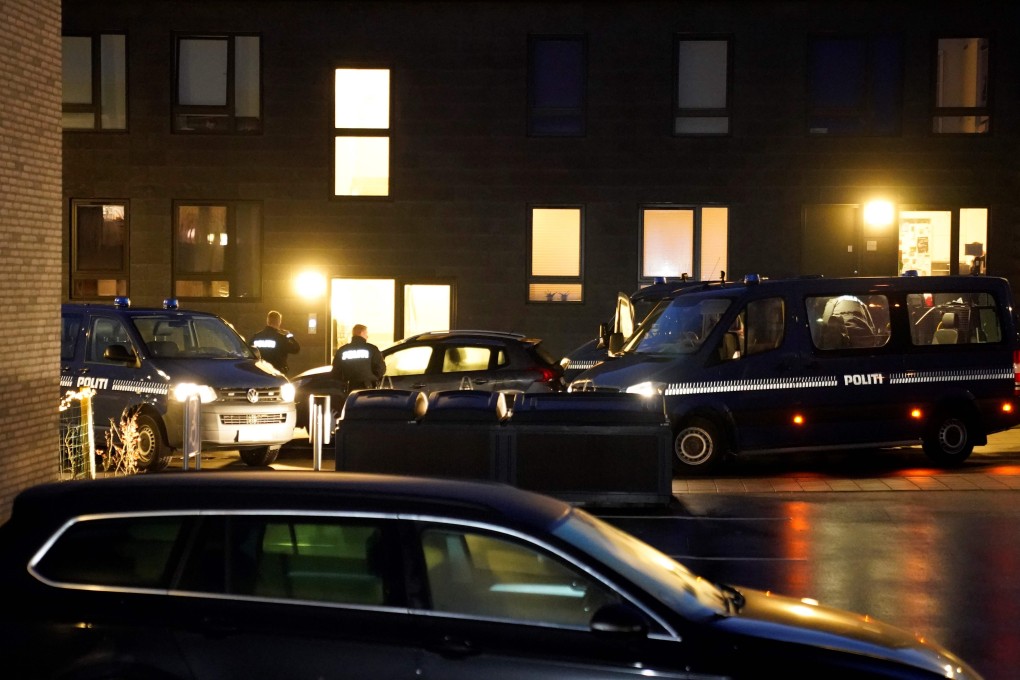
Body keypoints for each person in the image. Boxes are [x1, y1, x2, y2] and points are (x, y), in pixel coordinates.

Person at [332, 324, 385, 390]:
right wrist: (371, 378)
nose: (367, 336)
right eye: (366, 333)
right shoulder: (372, 349)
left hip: (348, 388)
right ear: (361, 333)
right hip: (367, 388)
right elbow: (381, 369)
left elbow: (336, 371)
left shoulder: (342, 350)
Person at [251, 310, 300, 375]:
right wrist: (289, 336)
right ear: (279, 322)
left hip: (260, 373)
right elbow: (296, 349)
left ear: (268, 321)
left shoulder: (256, 336)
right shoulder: (281, 338)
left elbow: (249, 352)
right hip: (277, 373)